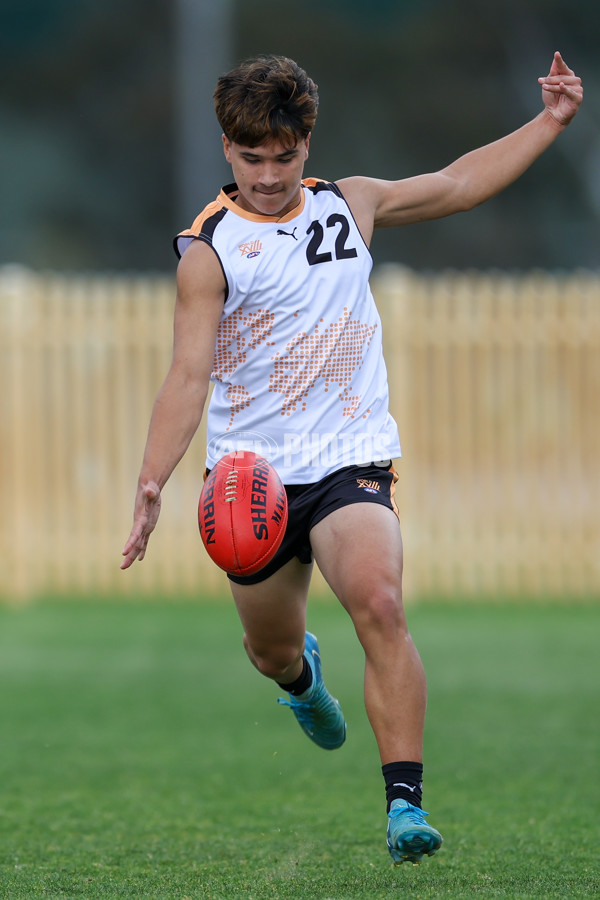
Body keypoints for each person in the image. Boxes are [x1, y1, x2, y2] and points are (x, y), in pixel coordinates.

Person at [121, 52, 583, 865]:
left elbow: (458, 182)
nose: (268, 175)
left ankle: (404, 804)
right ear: (227, 149)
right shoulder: (210, 250)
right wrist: (154, 479)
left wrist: (549, 121)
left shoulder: (350, 206)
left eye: (285, 155)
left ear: (307, 142)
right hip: (249, 481)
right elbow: (188, 374)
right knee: (271, 649)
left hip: (348, 460)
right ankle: (302, 682)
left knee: (382, 604)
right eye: (251, 156)